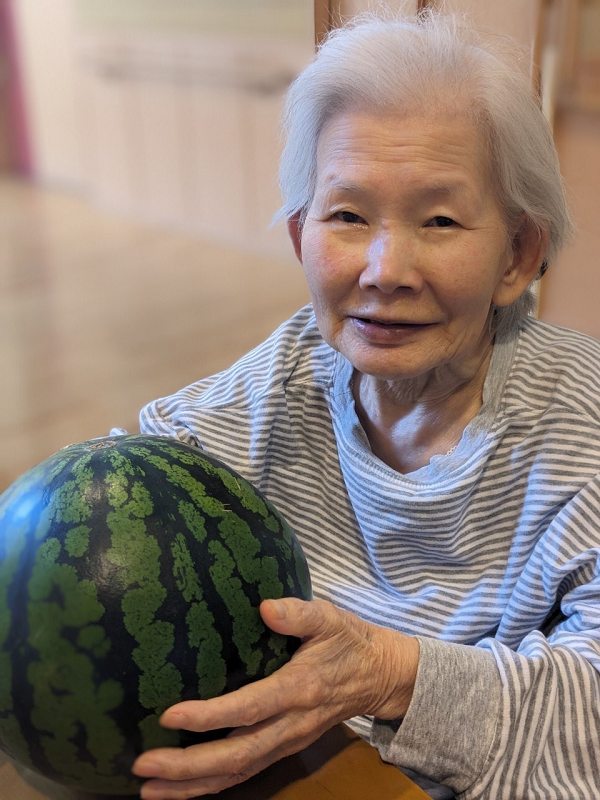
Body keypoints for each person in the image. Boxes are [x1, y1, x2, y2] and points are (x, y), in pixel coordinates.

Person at [127, 10, 600, 800]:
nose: (385, 269)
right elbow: (140, 468)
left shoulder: (583, 428)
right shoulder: (286, 377)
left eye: (440, 220)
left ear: (519, 254)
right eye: (347, 215)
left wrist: (385, 675)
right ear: (299, 237)